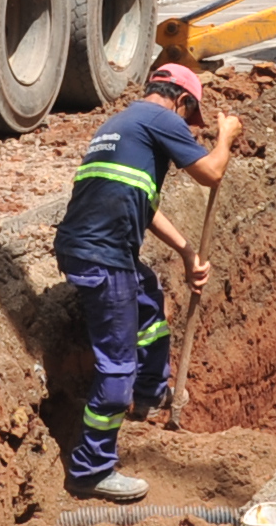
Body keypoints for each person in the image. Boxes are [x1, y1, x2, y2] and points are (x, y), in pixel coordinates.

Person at [52, 63, 242, 501]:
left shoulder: (124, 124)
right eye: (188, 119)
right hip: (105, 256)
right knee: (115, 363)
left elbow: (144, 204)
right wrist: (225, 137)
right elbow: (211, 172)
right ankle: (91, 470)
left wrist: (187, 251)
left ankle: (151, 391)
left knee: (148, 300)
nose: (186, 128)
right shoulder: (160, 118)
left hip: (89, 248)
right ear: (182, 100)